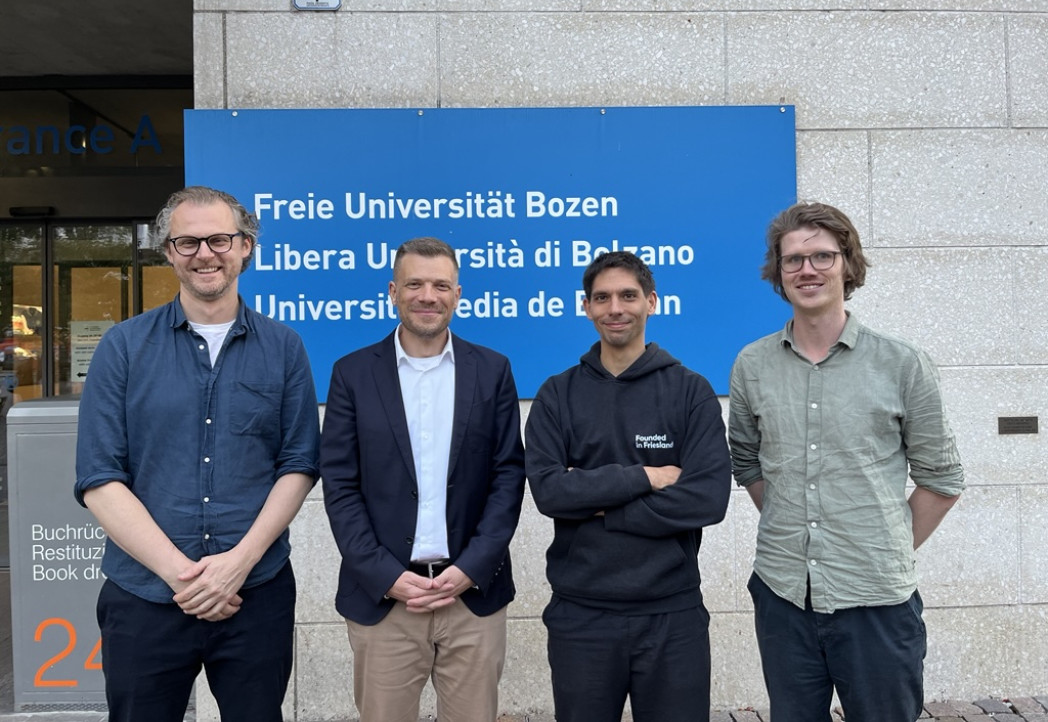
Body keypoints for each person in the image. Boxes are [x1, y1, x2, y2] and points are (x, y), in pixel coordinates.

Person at [74, 186, 320, 722]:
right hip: (144, 596)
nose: (205, 253)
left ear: (246, 246)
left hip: (255, 593)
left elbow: (298, 464)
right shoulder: (123, 347)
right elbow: (99, 476)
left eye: (219, 239)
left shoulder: (284, 347)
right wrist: (183, 576)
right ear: (167, 252)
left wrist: (237, 566)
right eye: (187, 242)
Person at [729, 202, 965, 722]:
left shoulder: (902, 363)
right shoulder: (752, 364)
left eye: (821, 256)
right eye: (792, 260)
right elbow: (747, 463)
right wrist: (797, 524)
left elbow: (942, 479)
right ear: (778, 273)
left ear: (848, 265)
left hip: (877, 600)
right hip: (783, 594)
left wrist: (882, 541)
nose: (806, 270)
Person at [319, 237, 526, 722]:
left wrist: (473, 566)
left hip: (472, 595)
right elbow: (340, 486)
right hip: (384, 600)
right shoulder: (351, 374)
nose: (427, 296)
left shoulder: (493, 370)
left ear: (457, 294)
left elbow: (507, 476)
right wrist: (386, 576)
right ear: (393, 291)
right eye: (414, 284)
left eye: (440, 285)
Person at [525, 250, 731, 722]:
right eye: (602, 298)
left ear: (651, 302)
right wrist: (647, 477)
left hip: (672, 615)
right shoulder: (558, 394)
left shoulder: (689, 391)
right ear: (587, 307)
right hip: (581, 616)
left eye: (627, 295)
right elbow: (551, 493)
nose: (614, 308)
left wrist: (601, 507)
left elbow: (707, 497)